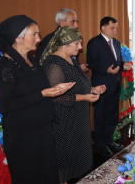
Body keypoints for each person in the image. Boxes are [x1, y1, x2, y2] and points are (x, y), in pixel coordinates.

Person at [0, 15, 75, 184]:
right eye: (34, 35)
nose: (39, 39)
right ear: (18, 39)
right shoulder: (5, 67)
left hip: (41, 131)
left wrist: (56, 90)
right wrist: (43, 94)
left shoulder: (32, 61)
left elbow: (39, 90)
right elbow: (5, 105)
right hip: (22, 137)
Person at [40, 26, 106, 183]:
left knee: (75, 160)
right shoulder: (54, 65)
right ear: (65, 43)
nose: (80, 47)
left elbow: (77, 84)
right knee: (64, 164)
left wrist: (93, 89)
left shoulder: (69, 59)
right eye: (77, 43)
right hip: (63, 123)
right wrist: (84, 97)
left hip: (76, 119)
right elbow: (56, 97)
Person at [86, 16, 131, 158]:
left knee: (112, 115)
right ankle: (100, 145)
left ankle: (109, 141)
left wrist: (123, 65)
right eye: (112, 28)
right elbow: (91, 63)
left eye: (116, 28)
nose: (115, 31)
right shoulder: (94, 42)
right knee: (101, 116)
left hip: (115, 84)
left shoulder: (117, 42)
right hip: (101, 86)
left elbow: (117, 61)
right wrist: (106, 70)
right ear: (103, 28)